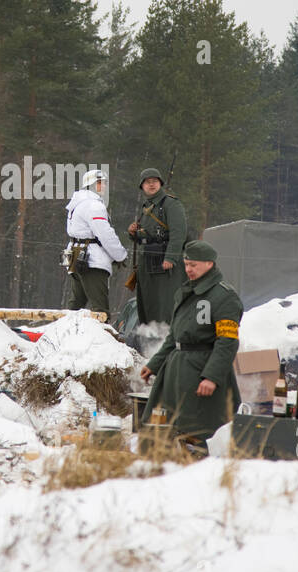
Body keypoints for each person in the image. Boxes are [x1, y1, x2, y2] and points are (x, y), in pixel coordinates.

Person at [139, 239, 243, 447]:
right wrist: (155, 364)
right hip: (175, 371)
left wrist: (211, 376)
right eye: (186, 264)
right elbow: (174, 337)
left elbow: (227, 342)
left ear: (209, 264)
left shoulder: (224, 297)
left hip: (200, 371)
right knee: (164, 424)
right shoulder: (185, 293)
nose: (188, 270)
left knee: (198, 429)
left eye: (193, 265)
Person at [127, 167, 187, 326]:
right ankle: (151, 343)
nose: (151, 184)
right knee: (148, 307)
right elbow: (147, 236)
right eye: (147, 182)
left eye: (154, 181)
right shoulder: (147, 207)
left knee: (165, 308)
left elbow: (179, 233)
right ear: (142, 186)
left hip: (165, 265)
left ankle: (167, 344)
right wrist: (133, 233)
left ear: (160, 183)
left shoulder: (171, 203)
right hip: (148, 263)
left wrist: (171, 257)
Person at [64, 169, 128, 315]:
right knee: (100, 310)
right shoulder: (94, 205)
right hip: (91, 259)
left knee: (76, 305)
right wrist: (120, 255)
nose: (104, 186)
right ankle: (100, 337)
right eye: (100, 182)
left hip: (75, 255)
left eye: (104, 182)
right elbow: (105, 234)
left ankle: (64, 334)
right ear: (91, 185)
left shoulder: (77, 203)